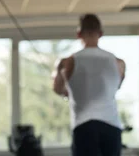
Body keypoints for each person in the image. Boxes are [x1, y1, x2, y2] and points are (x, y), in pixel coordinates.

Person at [52, 14, 126, 156]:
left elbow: (57, 89)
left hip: (84, 126)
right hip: (112, 128)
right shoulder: (119, 63)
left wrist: (67, 91)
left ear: (79, 34)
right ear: (101, 34)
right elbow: (116, 87)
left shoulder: (67, 62)